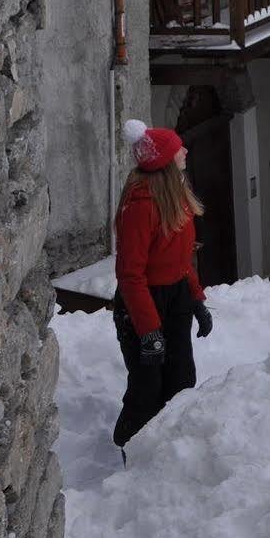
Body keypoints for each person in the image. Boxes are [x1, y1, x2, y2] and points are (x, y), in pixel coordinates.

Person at [112, 119, 212, 450]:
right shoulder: (141, 206)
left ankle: (170, 454)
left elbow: (182, 259)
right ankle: (131, 448)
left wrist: (196, 300)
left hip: (176, 297)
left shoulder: (176, 196)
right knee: (148, 387)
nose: (184, 150)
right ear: (164, 162)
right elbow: (130, 275)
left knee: (181, 379)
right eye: (177, 148)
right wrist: (149, 331)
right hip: (144, 304)